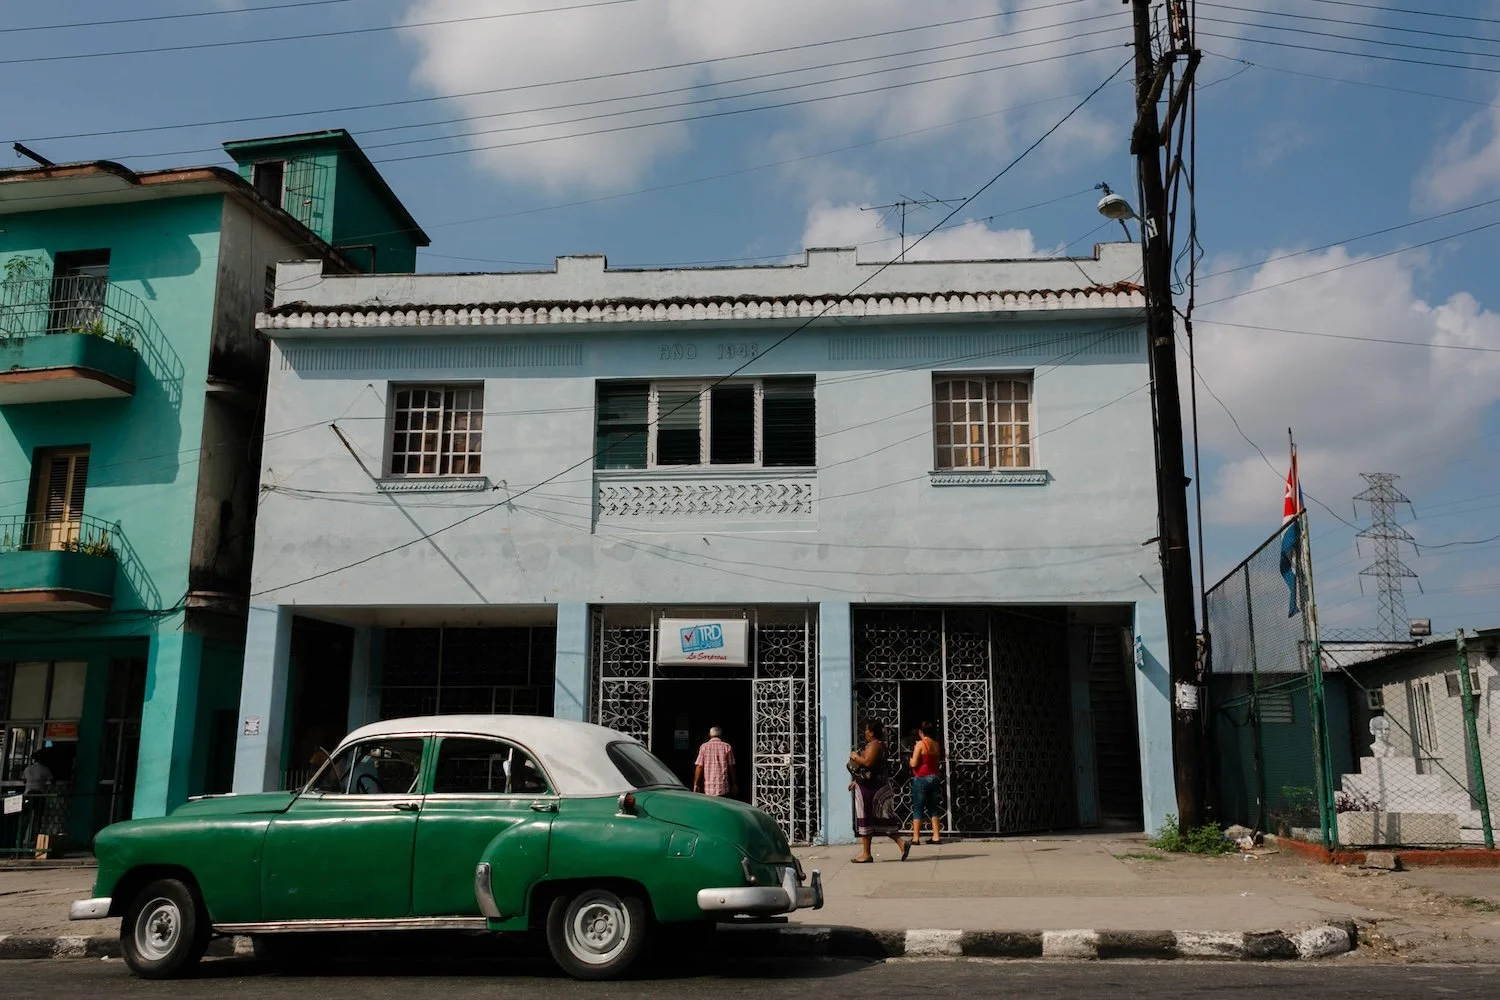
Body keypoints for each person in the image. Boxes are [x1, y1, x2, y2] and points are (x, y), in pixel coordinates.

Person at [847, 720, 910, 863]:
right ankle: (900, 844)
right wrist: (856, 780)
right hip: (872, 785)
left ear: (873, 732)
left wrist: (855, 756)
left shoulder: (875, 745)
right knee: (880, 819)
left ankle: (866, 854)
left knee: (867, 818)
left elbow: (867, 763)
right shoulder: (876, 745)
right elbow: (871, 769)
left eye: (867, 730)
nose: (865, 733)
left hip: (870, 789)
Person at [908, 721, 943, 846]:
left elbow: (914, 764)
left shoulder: (921, 744)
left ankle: (916, 838)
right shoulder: (936, 745)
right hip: (934, 777)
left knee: (918, 807)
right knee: (934, 807)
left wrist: (910, 760)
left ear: (921, 732)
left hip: (921, 778)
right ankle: (936, 836)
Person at [693, 726, 737, 798]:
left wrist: (696, 784)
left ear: (709, 735)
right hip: (723, 787)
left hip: (708, 787)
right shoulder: (727, 747)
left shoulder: (704, 747)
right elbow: (731, 766)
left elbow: (699, 766)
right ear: (720, 735)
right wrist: (734, 784)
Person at [21, 754, 53, 847]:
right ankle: (35, 839)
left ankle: (21, 838)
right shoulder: (45, 769)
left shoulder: (28, 769)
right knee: (38, 818)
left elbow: (23, 780)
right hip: (39, 794)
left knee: (25, 818)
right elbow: (52, 780)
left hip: (28, 795)